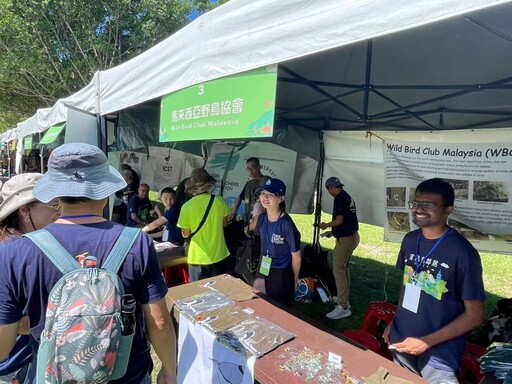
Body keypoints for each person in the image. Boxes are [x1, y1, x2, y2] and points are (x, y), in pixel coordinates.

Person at [0, 143, 177, 384]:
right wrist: (168, 369)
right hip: (127, 376)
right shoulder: (137, 243)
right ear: (104, 190)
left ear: (57, 193)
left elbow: (3, 344)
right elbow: (158, 321)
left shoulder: (17, 251)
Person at [383, 178, 486, 384]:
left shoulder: (463, 253)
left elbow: (476, 315)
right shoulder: (410, 240)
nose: (419, 209)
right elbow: (408, 285)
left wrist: (424, 342)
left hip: (439, 353)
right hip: (402, 339)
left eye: (429, 204)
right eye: (416, 203)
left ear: (448, 210)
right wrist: (396, 320)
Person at [0, 173, 60, 384]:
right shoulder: (13, 253)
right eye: (53, 205)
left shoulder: (18, 246)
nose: (57, 214)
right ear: (24, 210)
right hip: (13, 366)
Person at [250, 178, 301, 307]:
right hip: (264, 268)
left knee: (279, 308)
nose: (265, 197)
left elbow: (296, 256)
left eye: (271, 194)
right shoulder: (261, 219)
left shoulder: (287, 224)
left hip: (281, 272)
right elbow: (253, 231)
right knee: (261, 304)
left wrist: (295, 279)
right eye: (263, 193)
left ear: (281, 198)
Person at [177, 168, 230, 282]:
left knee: (198, 294)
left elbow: (185, 234)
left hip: (198, 257)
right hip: (219, 254)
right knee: (219, 292)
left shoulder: (186, 207)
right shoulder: (220, 201)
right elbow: (225, 224)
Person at [319, 177, 359, 319]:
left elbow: (339, 220)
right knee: (343, 269)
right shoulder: (346, 196)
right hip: (352, 236)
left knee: (338, 270)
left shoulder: (339, 198)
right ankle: (344, 299)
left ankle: (343, 306)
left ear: (330, 188)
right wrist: (333, 232)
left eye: (328, 189)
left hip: (346, 240)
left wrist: (325, 225)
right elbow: (346, 221)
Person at [229, 157, 270, 225]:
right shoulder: (249, 184)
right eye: (248, 168)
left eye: (253, 167)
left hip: (263, 222)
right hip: (248, 220)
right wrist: (233, 212)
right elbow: (240, 198)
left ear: (259, 167)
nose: (250, 170)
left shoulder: (268, 182)